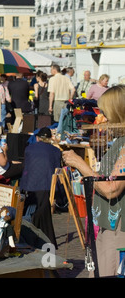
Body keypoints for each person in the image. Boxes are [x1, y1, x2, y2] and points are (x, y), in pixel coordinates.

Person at [62, 85, 125, 277]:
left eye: (105, 114)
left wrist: (81, 165)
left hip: (118, 230)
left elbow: (111, 188)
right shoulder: (120, 142)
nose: (102, 119)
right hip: (108, 227)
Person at [20, 127, 60, 248]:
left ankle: (33, 237)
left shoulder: (29, 148)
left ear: (37, 138)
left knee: (34, 212)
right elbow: (57, 169)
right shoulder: (56, 151)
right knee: (42, 211)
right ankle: (44, 239)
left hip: (30, 186)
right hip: (47, 186)